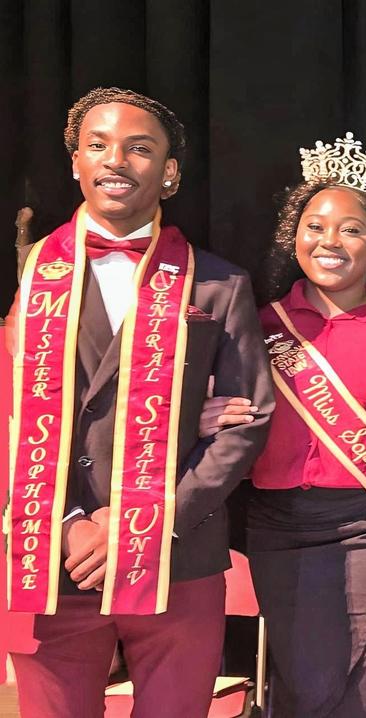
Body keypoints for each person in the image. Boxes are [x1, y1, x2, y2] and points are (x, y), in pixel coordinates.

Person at [6, 86, 273, 717]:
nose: (116, 160)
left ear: (170, 172)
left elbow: (246, 419)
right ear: (75, 162)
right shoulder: (26, 274)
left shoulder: (219, 283)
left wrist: (151, 519)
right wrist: (70, 523)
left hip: (177, 556)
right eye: (97, 145)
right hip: (52, 557)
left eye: (139, 148)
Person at [198, 132, 366, 716]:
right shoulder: (259, 325)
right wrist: (199, 415)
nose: (331, 240)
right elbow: (221, 411)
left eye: (352, 228)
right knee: (300, 680)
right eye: (316, 226)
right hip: (278, 525)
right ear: (295, 238)